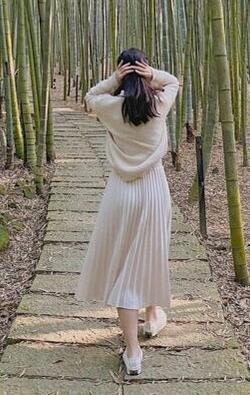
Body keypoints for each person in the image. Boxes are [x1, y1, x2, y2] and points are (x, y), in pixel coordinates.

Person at [75, 48, 180, 377]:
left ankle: (137, 343)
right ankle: (144, 328)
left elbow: (91, 95)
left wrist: (113, 80)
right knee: (151, 253)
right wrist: (152, 75)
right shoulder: (159, 104)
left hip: (121, 190)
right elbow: (174, 81)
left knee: (125, 264)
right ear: (145, 71)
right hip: (154, 189)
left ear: (121, 73)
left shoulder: (110, 107)